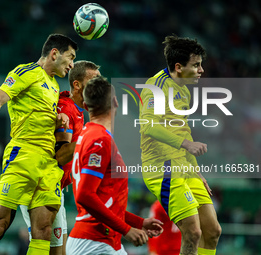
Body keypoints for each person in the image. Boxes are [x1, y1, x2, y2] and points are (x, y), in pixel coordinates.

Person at [0, 33, 77, 255]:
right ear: (54, 53)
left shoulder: (54, 86)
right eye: (71, 57)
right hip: (23, 156)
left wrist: (59, 119)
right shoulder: (26, 72)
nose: (72, 64)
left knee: (44, 230)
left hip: (48, 164)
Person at [139, 35, 221, 255]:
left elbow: (182, 130)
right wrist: (186, 144)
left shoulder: (183, 88)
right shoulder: (155, 88)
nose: (201, 70)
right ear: (178, 66)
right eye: (196, 65)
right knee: (193, 232)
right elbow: (148, 126)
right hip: (162, 167)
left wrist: (196, 170)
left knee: (212, 231)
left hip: (185, 166)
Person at [66, 76, 164, 255]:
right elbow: (85, 195)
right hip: (94, 243)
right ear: (115, 103)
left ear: (86, 107)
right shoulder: (100, 141)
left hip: (102, 241)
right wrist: (126, 230)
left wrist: (139, 223)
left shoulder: (88, 135)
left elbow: (105, 202)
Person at [20, 60, 101, 255]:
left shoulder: (79, 113)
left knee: (58, 252)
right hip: (39, 184)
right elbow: (60, 154)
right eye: (94, 80)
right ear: (77, 85)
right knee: (45, 247)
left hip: (54, 187)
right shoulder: (66, 108)